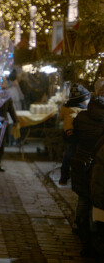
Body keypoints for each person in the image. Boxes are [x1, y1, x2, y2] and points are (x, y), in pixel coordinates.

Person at [71, 82, 104, 258]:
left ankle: (84, 240)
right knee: (97, 205)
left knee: (83, 201)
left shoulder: (82, 116)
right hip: (98, 165)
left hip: (82, 162)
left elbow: (73, 138)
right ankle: (97, 241)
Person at [59, 84, 90, 185]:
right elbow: (68, 123)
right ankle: (64, 175)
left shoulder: (76, 109)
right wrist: (70, 132)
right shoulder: (73, 110)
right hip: (75, 137)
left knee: (70, 154)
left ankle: (66, 174)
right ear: (80, 101)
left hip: (77, 137)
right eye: (87, 99)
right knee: (69, 155)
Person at [0, 78, 19, 172]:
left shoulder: (7, 96)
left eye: (4, 82)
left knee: (1, 143)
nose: (3, 84)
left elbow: (11, 109)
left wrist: (16, 121)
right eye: (1, 82)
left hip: (3, 122)